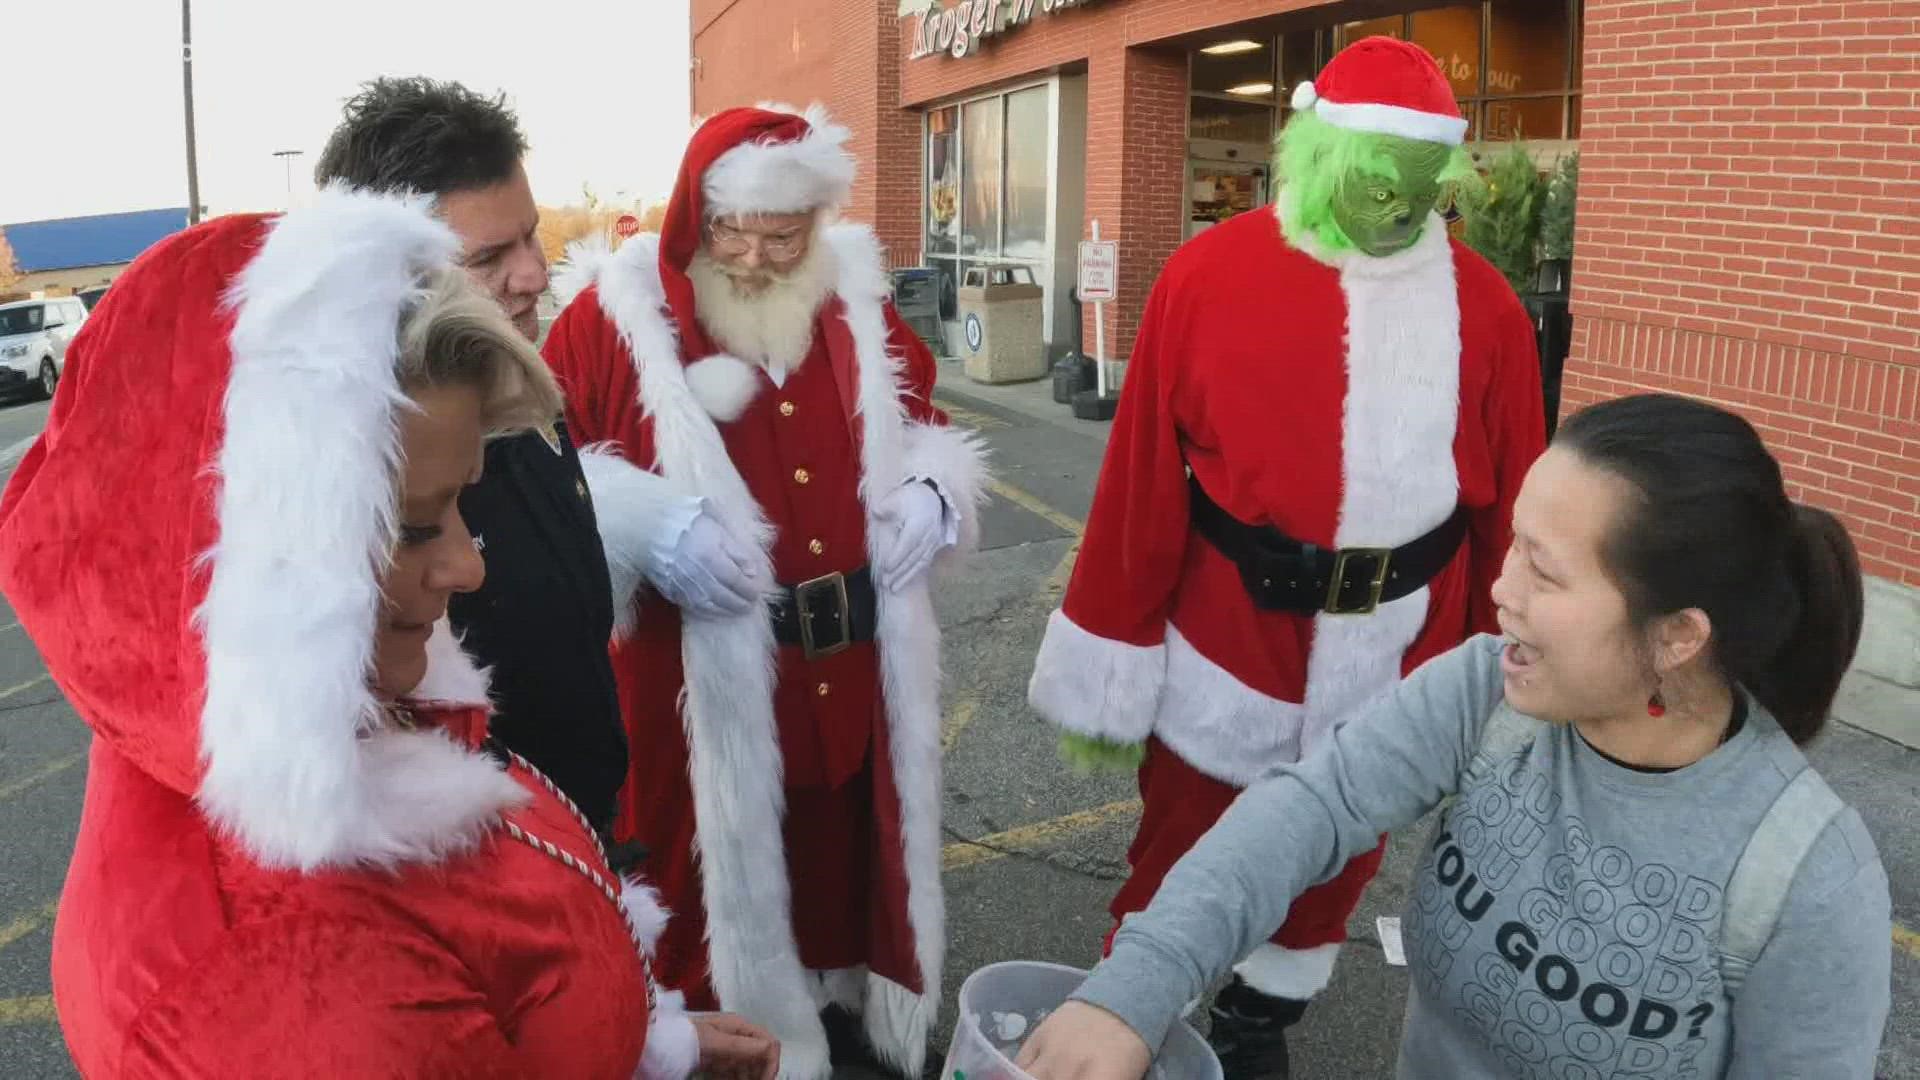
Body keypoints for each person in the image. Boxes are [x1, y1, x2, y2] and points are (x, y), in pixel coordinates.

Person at [0, 187, 778, 1078]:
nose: (467, 567)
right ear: (244, 565)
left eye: (461, 505)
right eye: (411, 526)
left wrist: (643, 1046)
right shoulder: (282, 987)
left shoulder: (323, 714)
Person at [1015, 393, 1892, 1080]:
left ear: (1678, 636)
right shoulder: (1490, 689)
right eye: (1512, 544)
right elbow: (1311, 810)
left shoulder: (1805, 877)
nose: (1500, 588)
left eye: (1543, 571)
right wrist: (1132, 994)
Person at [1025, 37, 1545, 1076]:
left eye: (1418, 187)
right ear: (1314, 155)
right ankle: (1130, 1013)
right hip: (1228, 640)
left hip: (1405, 645)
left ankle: (1259, 1016)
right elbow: (1139, 485)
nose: (1397, 208)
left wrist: (1509, 668)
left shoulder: (1487, 305)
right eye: (1374, 181)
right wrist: (1110, 650)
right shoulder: (1207, 274)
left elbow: (1521, 506)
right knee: (1183, 846)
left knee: (1341, 860)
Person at [543, 102, 988, 1080]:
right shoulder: (613, 319)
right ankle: (733, 1046)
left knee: (846, 861)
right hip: (701, 690)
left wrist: (932, 489)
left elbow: (924, 422)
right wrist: (646, 523)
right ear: (693, 218)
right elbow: (543, 473)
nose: (749, 257)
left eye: (780, 237)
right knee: (713, 883)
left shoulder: (856, 309)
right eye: (729, 231)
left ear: (815, 228)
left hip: (854, 672)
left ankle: (847, 1025)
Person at [314, 77, 629, 839]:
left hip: (585, 837)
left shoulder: (512, 384)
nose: (533, 275)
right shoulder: (362, 471)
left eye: (533, 237)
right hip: (493, 867)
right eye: (490, 255)